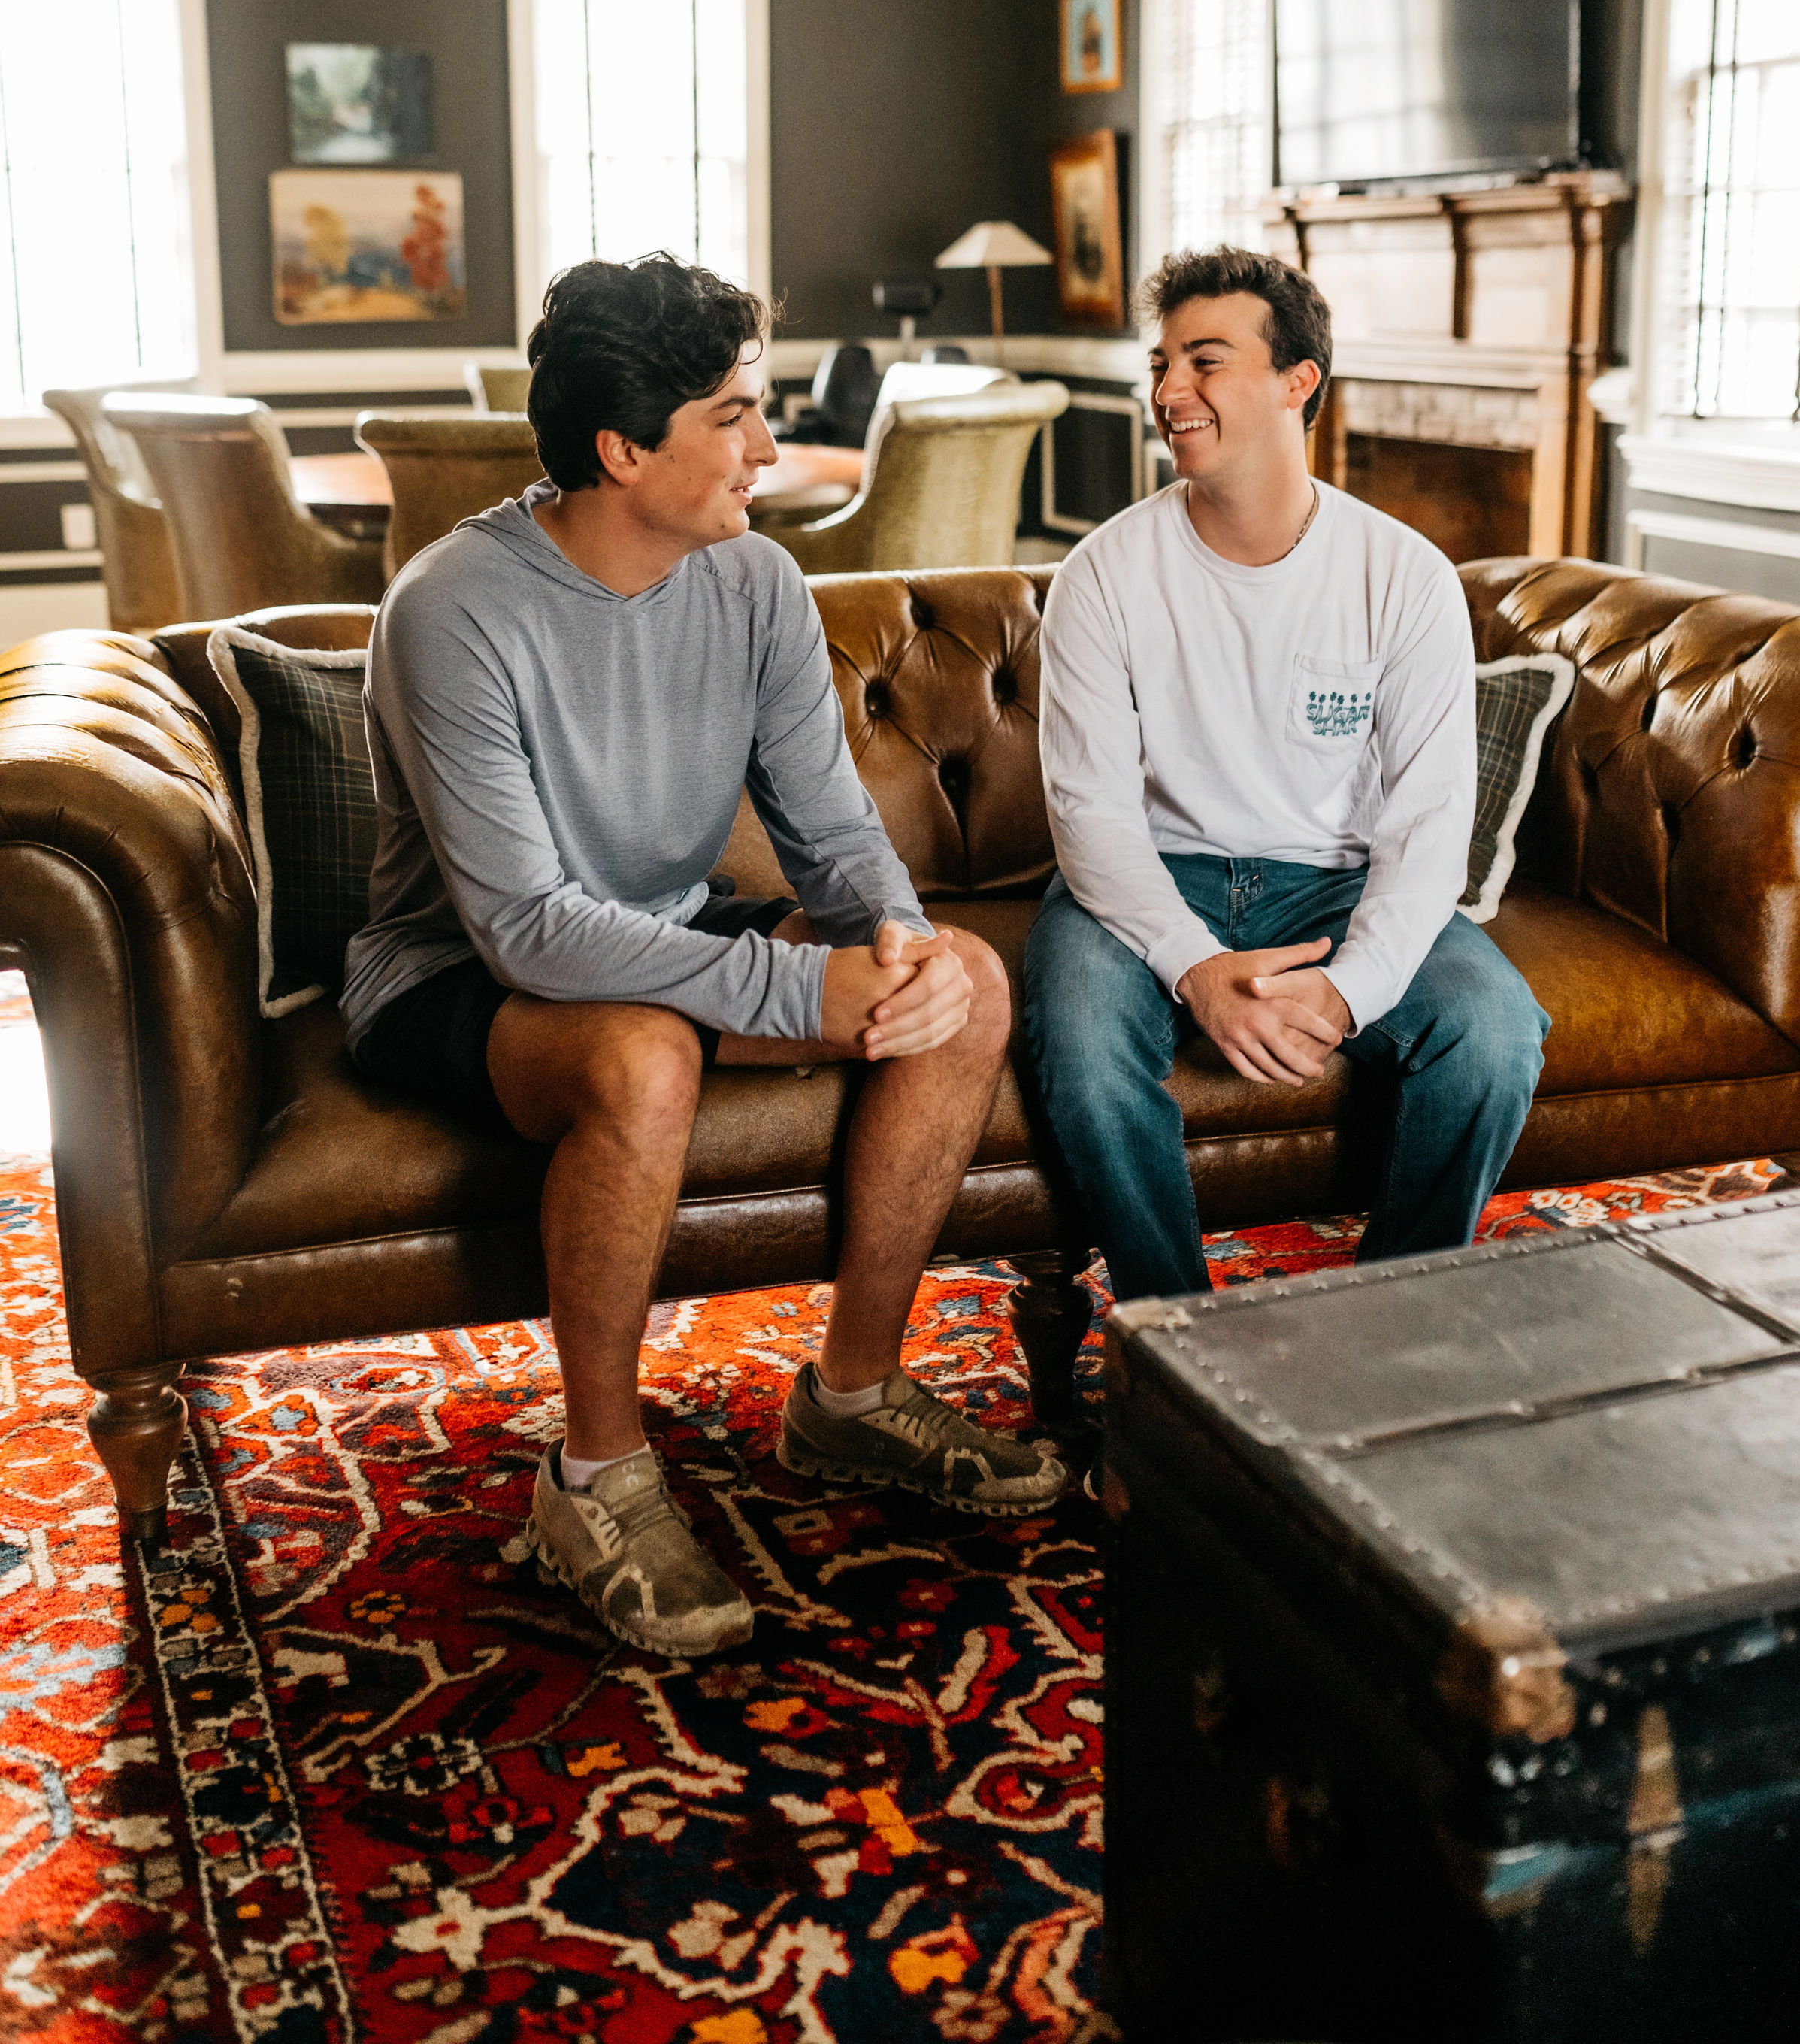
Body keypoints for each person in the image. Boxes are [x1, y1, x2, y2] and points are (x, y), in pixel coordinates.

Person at [343, 253, 1063, 1660]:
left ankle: (851, 1398)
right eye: (733, 416)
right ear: (623, 449)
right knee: (640, 1051)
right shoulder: (451, 608)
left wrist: (895, 940)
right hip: (459, 974)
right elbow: (529, 926)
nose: (769, 448)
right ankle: (596, 1478)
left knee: (968, 987)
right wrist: (805, 987)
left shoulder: (754, 580)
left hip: (659, 930)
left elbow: (831, 826)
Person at [1024, 247, 1547, 1304]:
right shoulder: (1102, 575)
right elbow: (1090, 815)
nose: (1168, 392)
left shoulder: (1402, 576)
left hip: (1334, 881)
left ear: (1296, 381)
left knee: (1494, 1031)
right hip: (1146, 879)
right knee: (1080, 1045)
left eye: (1204, 361)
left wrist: (1349, 995)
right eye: (1162, 363)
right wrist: (1196, 968)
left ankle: (1376, 1329)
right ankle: (1178, 1350)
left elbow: (1430, 822)